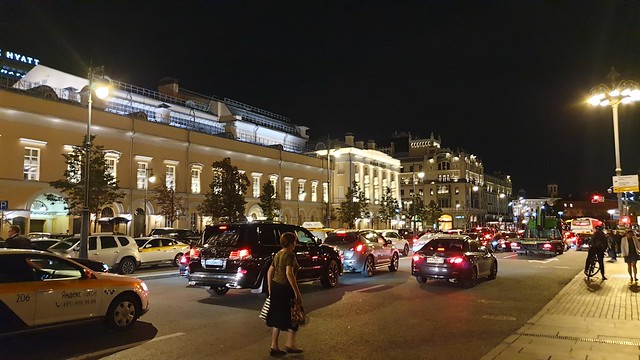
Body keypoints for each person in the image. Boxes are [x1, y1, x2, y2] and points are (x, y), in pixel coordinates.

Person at [266, 232, 303, 357]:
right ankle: (290, 344)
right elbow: (289, 273)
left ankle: (274, 346)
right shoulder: (290, 255)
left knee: (277, 316)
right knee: (294, 315)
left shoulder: (278, 254)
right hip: (286, 288)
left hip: (276, 287)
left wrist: (270, 288)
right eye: (295, 241)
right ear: (292, 243)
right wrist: (296, 292)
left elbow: (270, 271)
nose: (296, 244)